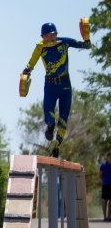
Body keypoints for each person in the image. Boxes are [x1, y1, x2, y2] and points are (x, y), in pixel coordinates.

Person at [22, 22, 91, 158]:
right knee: (49, 115)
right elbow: (31, 63)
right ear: (42, 36)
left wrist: (86, 37)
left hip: (65, 86)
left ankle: (57, 148)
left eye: (52, 35)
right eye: (46, 36)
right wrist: (26, 72)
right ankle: (50, 125)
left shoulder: (64, 42)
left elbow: (85, 46)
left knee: (64, 119)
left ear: (56, 34)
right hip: (50, 87)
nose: (50, 38)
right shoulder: (40, 48)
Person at [100, 152, 111, 221]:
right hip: (105, 184)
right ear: (107, 157)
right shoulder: (103, 165)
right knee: (105, 200)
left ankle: (109, 216)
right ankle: (105, 216)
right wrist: (104, 180)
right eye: (109, 157)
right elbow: (100, 175)